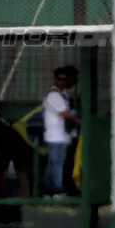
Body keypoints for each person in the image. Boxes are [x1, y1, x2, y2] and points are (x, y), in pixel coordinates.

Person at [41, 66, 79, 196]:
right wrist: (79, 121)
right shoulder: (53, 94)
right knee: (57, 164)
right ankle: (56, 189)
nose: (62, 82)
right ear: (54, 79)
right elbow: (65, 113)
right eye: (60, 79)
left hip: (61, 135)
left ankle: (51, 189)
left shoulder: (64, 93)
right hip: (55, 136)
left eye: (65, 80)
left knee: (55, 163)